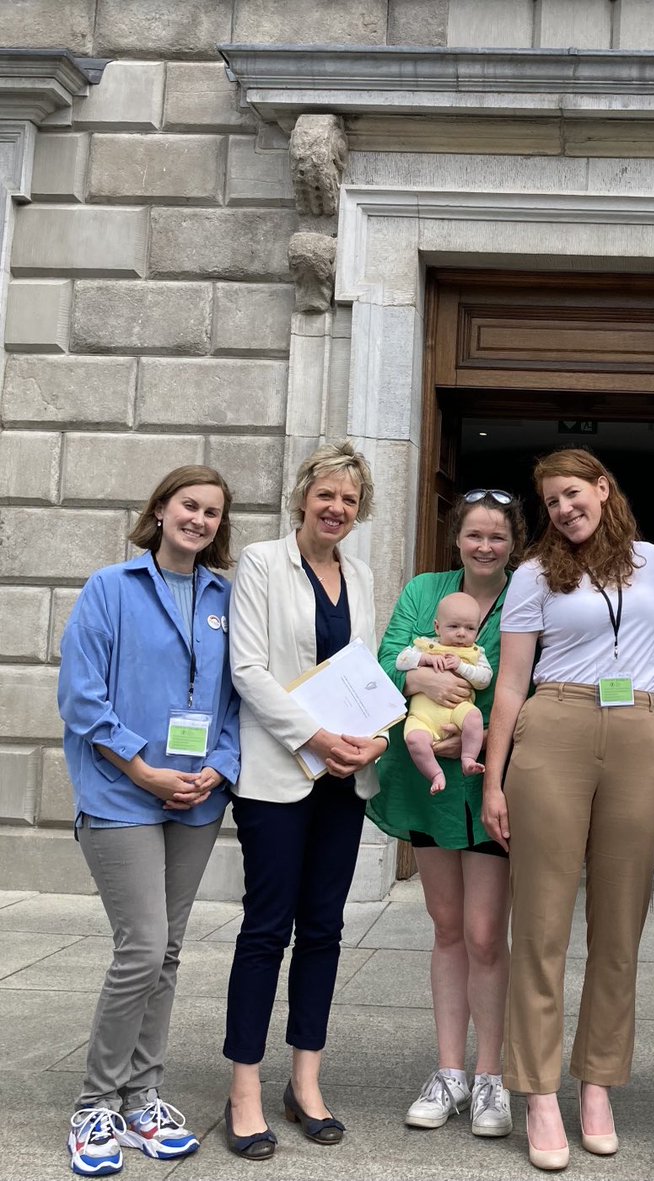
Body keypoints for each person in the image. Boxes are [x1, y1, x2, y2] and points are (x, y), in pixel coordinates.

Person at [482, 449, 654, 1172]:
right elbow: (509, 683)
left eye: (573, 493)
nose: (564, 508)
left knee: (620, 924)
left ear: (602, 488)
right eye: (551, 501)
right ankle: (535, 1091)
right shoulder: (533, 574)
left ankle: (596, 1084)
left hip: (638, 733)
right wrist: (494, 781)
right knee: (540, 924)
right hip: (554, 726)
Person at [58, 466, 239, 1177]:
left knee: (166, 950)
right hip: (120, 792)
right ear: (161, 510)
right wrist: (142, 768)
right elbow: (81, 695)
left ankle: (144, 1096)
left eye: (213, 512)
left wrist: (217, 769)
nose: (199, 519)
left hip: (197, 794)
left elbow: (236, 699)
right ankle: (94, 1103)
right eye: (189, 506)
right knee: (142, 945)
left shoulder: (227, 596)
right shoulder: (112, 587)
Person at [222, 441, 392, 1160]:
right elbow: (248, 669)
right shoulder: (263, 562)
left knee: (324, 927)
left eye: (350, 500)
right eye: (327, 495)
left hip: (344, 779)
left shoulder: (360, 572)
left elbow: (367, 670)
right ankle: (244, 1090)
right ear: (302, 498)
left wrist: (374, 739)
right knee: (267, 928)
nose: (337, 508)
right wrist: (318, 737)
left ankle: (306, 1081)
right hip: (278, 774)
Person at [368, 489, 525, 1139]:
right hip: (426, 782)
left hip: (492, 783)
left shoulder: (529, 593)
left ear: (514, 541)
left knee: (488, 932)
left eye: (497, 535)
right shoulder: (424, 589)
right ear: (456, 538)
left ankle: (491, 1076)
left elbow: (530, 680)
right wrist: (422, 682)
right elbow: (385, 660)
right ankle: (450, 1071)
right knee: (448, 924)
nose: (484, 545)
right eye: (473, 535)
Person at [397, 590, 493, 791]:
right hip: (422, 716)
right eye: (453, 626)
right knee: (414, 739)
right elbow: (400, 661)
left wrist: (461, 667)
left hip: (457, 711)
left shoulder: (475, 653)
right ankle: (435, 774)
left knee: (474, 718)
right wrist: (425, 660)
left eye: (470, 628)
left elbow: (484, 679)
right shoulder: (426, 646)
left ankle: (468, 758)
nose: (461, 633)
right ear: (437, 627)